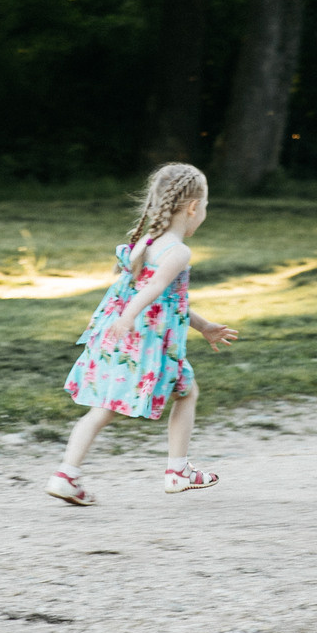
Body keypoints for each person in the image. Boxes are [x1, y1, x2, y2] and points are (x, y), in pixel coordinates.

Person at [47, 162, 241, 505]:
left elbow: (170, 301)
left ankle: (66, 475)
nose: (205, 213)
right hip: (151, 347)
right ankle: (178, 471)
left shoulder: (145, 244)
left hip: (128, 343)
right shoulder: (178, 251)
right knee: (187, 393)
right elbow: (153, 289)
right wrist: (129, 315)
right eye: (206, 207)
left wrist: (204, 326)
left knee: (104, 409)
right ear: (193, 208)